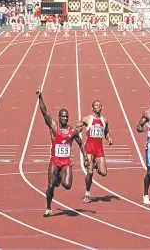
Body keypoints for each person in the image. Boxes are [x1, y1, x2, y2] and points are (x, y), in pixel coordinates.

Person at [36, 87, 89, 217]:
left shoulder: (73, 131)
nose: (65, 118)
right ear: (59, 117)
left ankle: (60, 177)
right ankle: (48, 207)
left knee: (67, 185)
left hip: (66, 162)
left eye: (67, 117)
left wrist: (86, 157)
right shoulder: (54, 127)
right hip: (55, 161)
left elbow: (81, 144)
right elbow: (44, 112)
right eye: (63, 117)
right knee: (50, 186)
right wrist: (40, 97)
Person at [77, 100, 113, 204]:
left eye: (100, 105)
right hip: (89, 148)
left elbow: (106, 132)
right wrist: (78, 128)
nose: (98, 107)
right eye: (96, 105)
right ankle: (87, 194)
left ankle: (96, 165)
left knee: (104, 173)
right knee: (90, 171)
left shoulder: (104, 121)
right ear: (92, 108)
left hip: (99, 148)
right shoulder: (88, 119)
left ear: (101, 108)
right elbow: (78, 125)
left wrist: (109, 139)